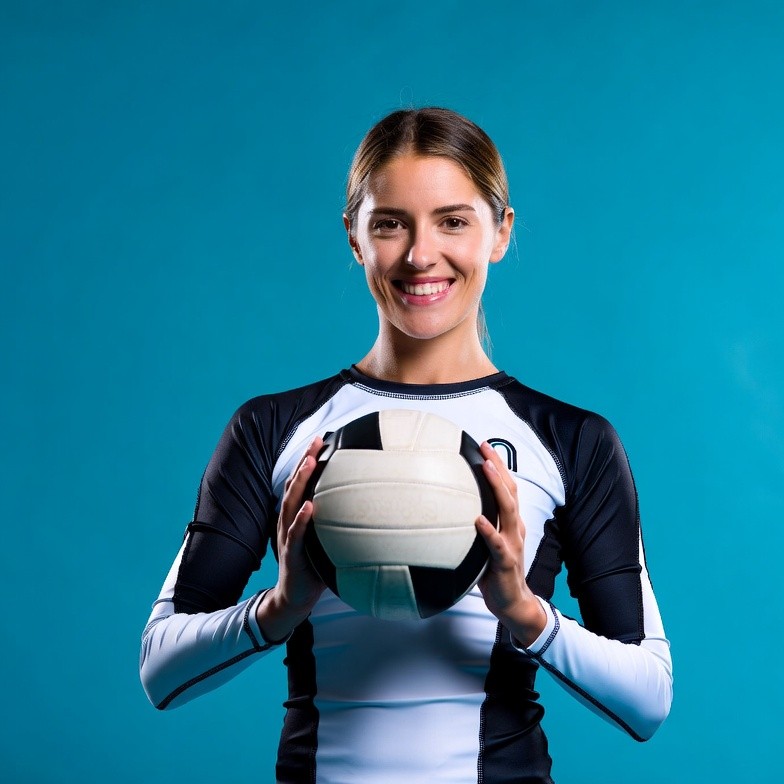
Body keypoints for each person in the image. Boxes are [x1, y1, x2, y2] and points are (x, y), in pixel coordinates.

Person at [140, 107, 673, 783]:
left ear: (500, 232)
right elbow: (161, 668)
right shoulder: (274, 429)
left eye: (453, 220)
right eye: (390, 223)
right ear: (354, 237)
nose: (421, 255)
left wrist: (525, 614)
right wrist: (279, 609)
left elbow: (648, 700)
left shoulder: (572, 441)